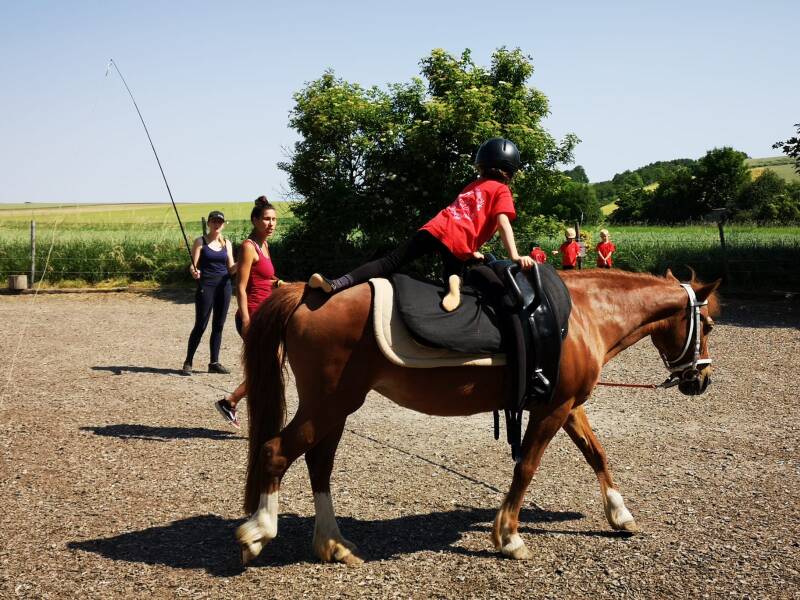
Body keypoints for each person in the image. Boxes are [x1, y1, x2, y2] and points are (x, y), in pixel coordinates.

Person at [307, 137, 534, 311]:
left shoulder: (472, 186)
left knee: (390, 261)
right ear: (510, 170)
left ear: (481, 164)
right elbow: (502, 222)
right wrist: (515, 255)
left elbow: (464, 215)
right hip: (458, 241)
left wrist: (472, 250)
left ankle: (336, 283)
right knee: (454, 269)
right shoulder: (502, 190)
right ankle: (453, 287)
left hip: (437, 226)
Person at [215, 196, 283, 428]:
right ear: (255, 220)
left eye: (274, 219)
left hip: (267, 314)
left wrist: (279, 284)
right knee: (269, 366)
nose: (271, 224)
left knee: (271, 365)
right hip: (253, 315)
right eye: (266, 219)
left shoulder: (265, 245)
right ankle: (232, 402)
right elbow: (241, 287)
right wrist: (246, 320)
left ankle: (234, 403)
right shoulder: (248, 247)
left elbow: (264, 277)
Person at [182, 210, 236, 376]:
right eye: (214, 221)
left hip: (224, 286)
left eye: (219, 221)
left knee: (219, 325)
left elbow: (231, 268)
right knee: (201, 324)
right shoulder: (200, 241)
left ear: (223, 224)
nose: (216, 224)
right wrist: (194, 272)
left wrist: (243, 263)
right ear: (209, 223)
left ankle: (214, 363)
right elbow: (193, 265)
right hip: (206, 285)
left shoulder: (227, 243)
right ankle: (188, 362)